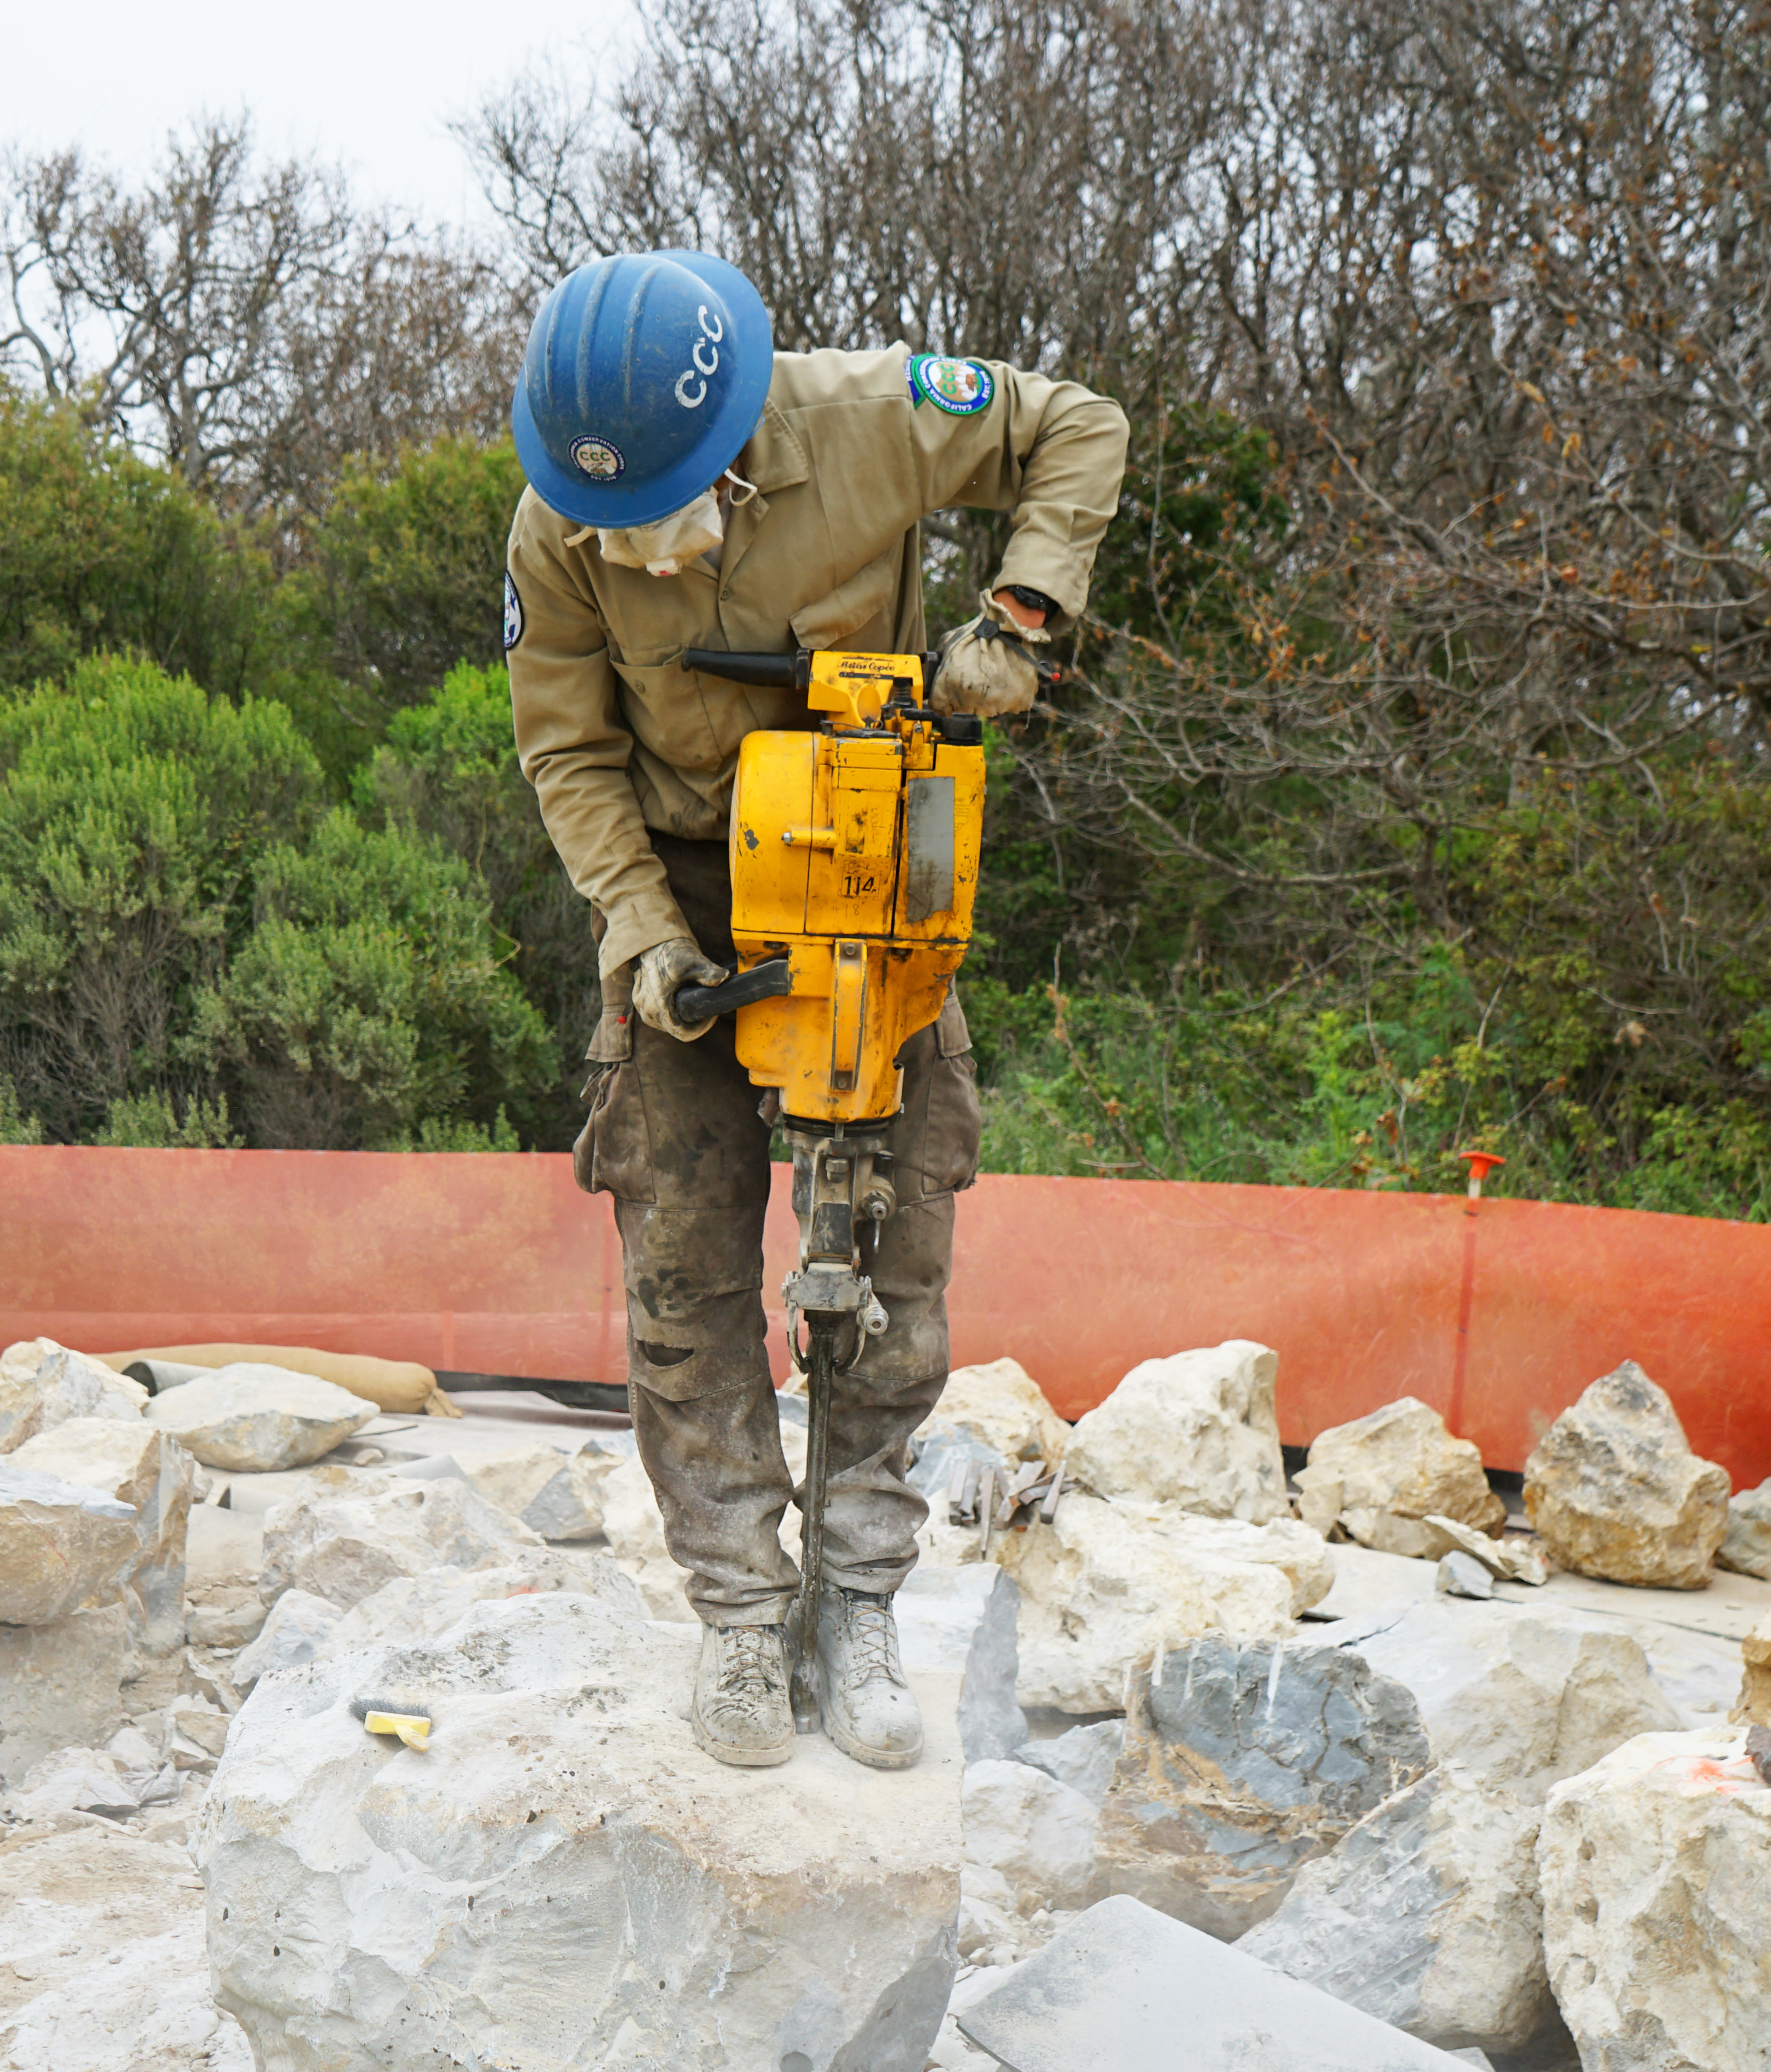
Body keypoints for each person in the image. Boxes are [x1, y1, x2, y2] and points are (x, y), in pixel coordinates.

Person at [498, 250, 1127, 1767]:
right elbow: (570, 752)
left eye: (664, 523)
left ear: (736, 451)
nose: (642, 562)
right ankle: (734, 1616)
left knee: (893, 1263)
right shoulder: (560, 527)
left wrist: (1021, 618)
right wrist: (640, 930)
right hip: (690, 891)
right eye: (611, 534)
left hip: (867, 859)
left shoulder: (868, 419)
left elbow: (1078, 423)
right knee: (682, 1269)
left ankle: (855, 1607)